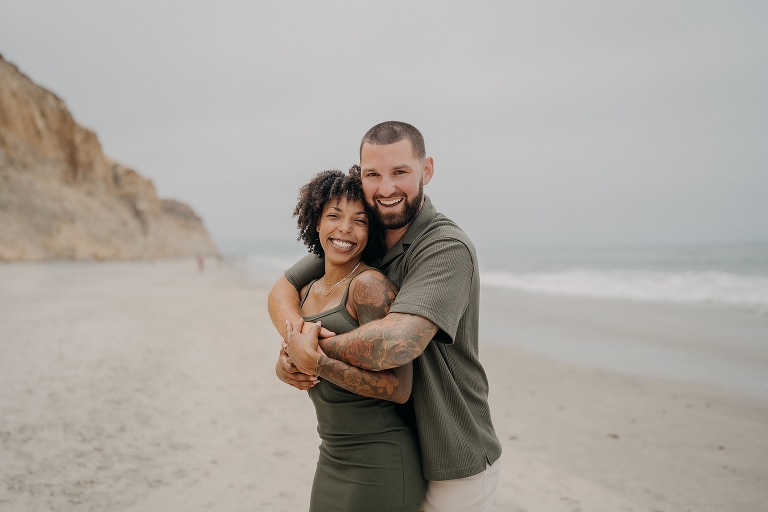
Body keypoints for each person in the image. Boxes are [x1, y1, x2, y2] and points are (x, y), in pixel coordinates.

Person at [271, 121, 502, 511]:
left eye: (400, 172)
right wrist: (291, 352)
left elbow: (397, 342)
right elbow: (283, 290)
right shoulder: (363, 232)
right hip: (394, 443)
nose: (386, 188)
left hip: (451, 454)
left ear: (426, 170)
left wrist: (315, 352)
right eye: (372, 174)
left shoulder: (445, 246)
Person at [283, 169, 427, 511]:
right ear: (315, 222)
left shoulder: (368, 286)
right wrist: (285, 365)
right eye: (333, 216)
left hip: (381, 460)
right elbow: (297, 353)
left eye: (359, 221)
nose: (344, 228)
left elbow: (400, 386)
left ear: (371, 231)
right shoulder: (305, 292)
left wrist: (318, 362)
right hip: (331, 454)